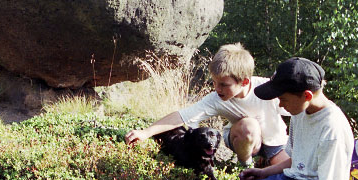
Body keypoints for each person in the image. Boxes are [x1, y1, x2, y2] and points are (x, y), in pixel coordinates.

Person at [210, 57, 354, 180]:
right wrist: (264, 173)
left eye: (283, 99)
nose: (280, 104)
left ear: (307, 95)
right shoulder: (301, 111)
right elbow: (296, 159)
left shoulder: (332, 127)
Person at [124, 43, 289, 168]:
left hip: (276, 143)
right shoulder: (216, 98)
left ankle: (265, 164)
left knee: (287, 172)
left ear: (244, 81)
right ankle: (245, 166)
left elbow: (300, 112)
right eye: (214, 82)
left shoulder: (269, 89)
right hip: (243, 139)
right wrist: (146, 132)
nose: (217, 89)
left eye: (224, 84)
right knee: (249, 126)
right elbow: (181, 116)